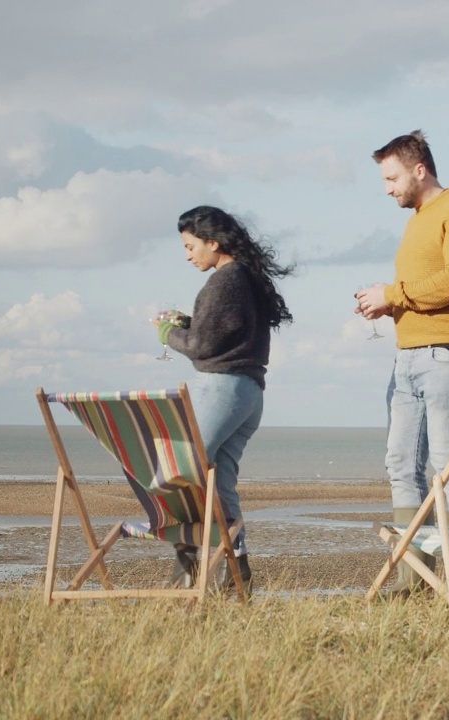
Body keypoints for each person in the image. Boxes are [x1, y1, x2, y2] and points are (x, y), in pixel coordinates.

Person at [355, 130, 449, 600]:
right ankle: (417, 583)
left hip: (448, 353)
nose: (387, 188)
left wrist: (392, 294)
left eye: (391, 178)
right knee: (400, 464)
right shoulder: (416, 220)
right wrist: (388, 304)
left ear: (419, 169)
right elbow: (422, 289)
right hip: (408, 355)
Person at [155, 205, 293, 594]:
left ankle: (188, 569)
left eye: (190, 245)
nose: (187, 254)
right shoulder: (246, 278)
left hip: (220, 388)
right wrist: (188, 324)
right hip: (249, 393)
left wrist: (167, 332)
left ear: (212, 242)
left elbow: (201, 347)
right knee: (222, 483)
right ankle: (235, 577)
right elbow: (220, 334)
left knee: (177, 471)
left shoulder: (223, 281)